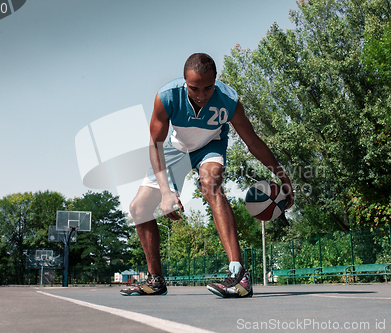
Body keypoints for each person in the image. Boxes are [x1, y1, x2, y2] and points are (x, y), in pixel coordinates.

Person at [120, 53, 294, 298]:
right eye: (194, 88)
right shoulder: (167, 97)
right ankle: (155, 279)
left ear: (216, 80)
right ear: (184, 81)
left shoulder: (228, 101)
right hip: (175, 150)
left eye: (207, 87)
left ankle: (238, 275)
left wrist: (283, 176)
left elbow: (253, 142)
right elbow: (155, 145)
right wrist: (167, 192)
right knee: (139, 209)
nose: (201, 95)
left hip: (211, 145)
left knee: (211, 185)